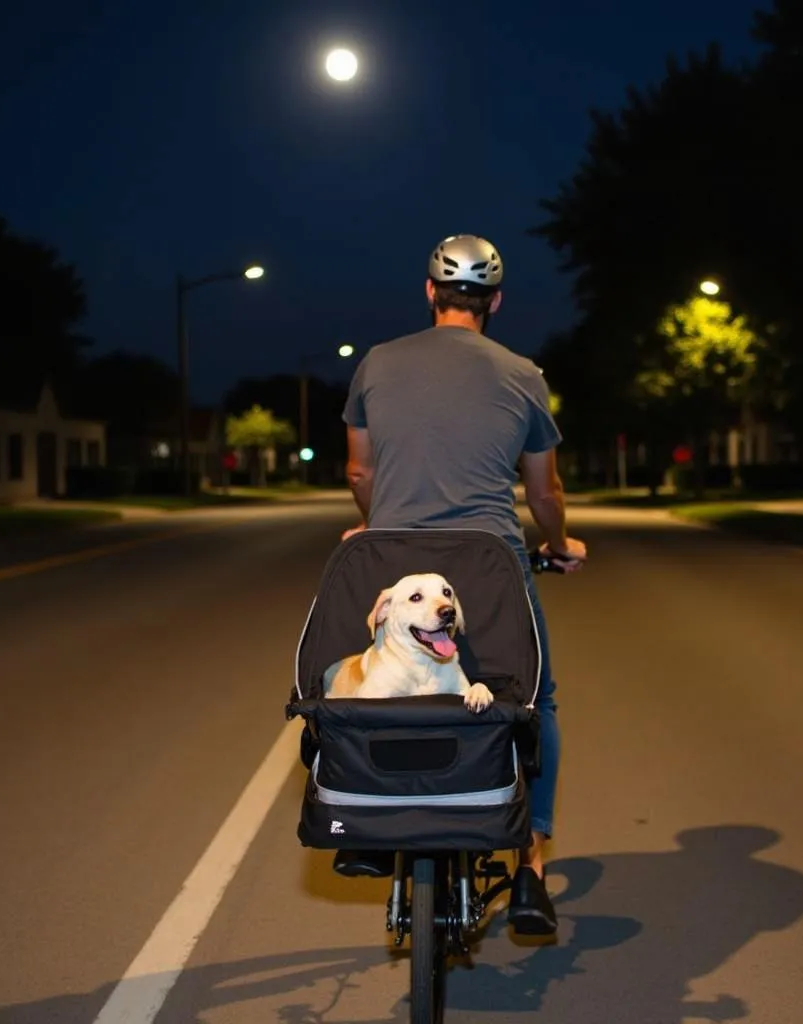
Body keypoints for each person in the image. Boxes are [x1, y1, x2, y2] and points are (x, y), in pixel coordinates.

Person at [337, 233, 587, 935]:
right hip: (491, 563)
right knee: (535, 698)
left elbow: (360, 473)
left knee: (376, 679)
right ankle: (532, 870)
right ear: (495, 302)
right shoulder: (522, 373)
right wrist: (560, 545)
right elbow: (544, 493)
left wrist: (375, 524)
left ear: (429, 293)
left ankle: (368, 818)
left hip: (395, 559)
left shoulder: (376, 365)